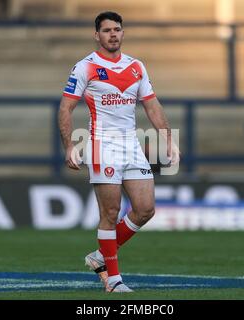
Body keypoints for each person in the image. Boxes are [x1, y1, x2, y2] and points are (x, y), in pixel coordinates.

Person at [58, 11, 180, 293]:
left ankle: (100, 255)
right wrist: (68, 145)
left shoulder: (136, 66)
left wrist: (169, 141)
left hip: (131, 144)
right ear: (97, 35)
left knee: (145, 209)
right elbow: (66, 107)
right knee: (110, 212)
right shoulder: (85, 67)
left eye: (117, 29)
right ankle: (113, 280)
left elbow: (152, 105)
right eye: (107, 30)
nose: (113, 34)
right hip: (102, 144)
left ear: (123, 33)